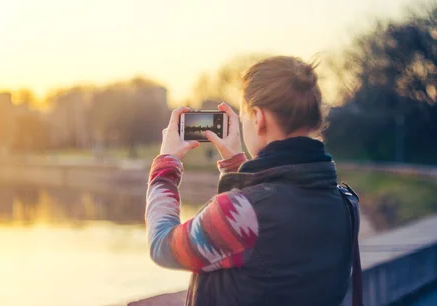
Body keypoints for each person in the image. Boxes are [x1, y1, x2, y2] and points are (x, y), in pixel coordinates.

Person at [145, 56, 356, 306]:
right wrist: (235, 165)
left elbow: (162, 245)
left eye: (243, 114)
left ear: (258, 117)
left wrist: (166, 166)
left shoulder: (244, 212)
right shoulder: (344, 202)